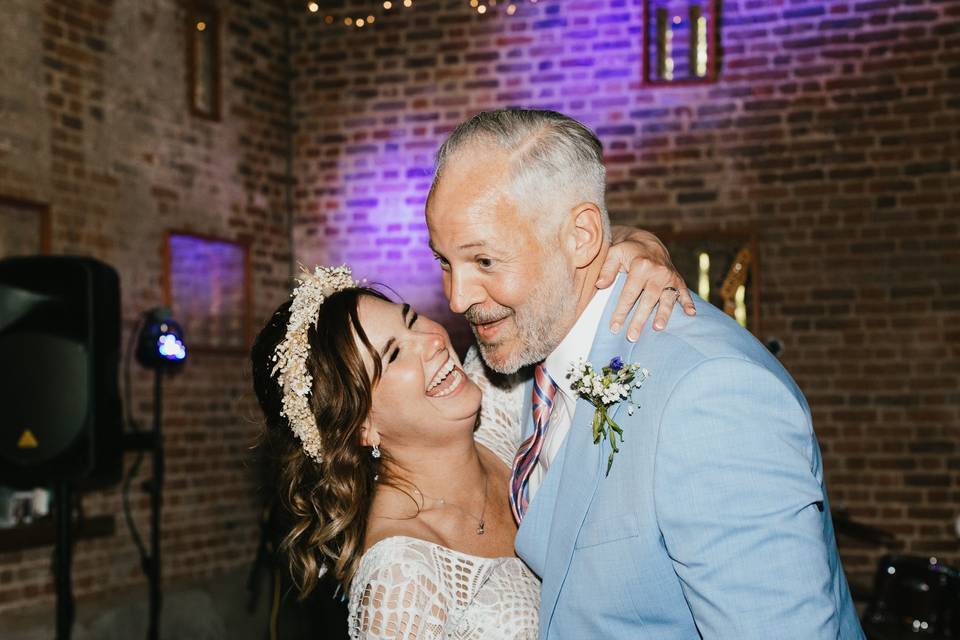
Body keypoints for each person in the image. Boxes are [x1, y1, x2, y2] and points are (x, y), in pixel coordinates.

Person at [425, 108, 865, 639]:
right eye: (445, 261)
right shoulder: (524, 351)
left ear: (583, 235)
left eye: (485, 261)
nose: (458, 297)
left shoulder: (711, 395)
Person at [251, 247, 688, 637]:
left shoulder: (495, 390)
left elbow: (562, 262)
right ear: (361, 428)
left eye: (410, 318)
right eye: (395, 354)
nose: (430, 340)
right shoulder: (399, 578)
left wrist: (640, 247)